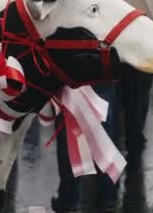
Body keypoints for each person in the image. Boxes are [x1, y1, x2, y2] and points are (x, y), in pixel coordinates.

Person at [51, 84, 119, 213]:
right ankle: (108, 198)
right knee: (103, 141)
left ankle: (69, 200)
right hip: (101, 80)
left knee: (70, 140)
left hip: (72, 81)